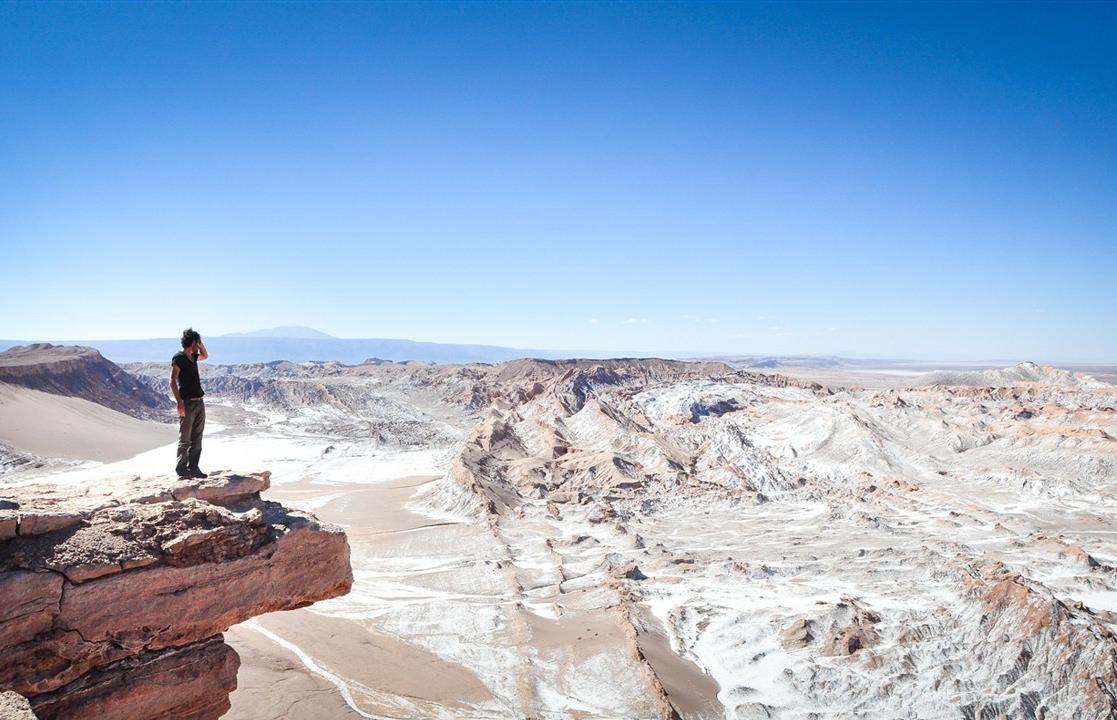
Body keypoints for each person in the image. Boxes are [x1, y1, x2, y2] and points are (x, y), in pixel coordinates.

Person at [170, 328, 209, 479]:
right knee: (185, 438)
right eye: (197, 343)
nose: (198, 346)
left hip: (199, 401)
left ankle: (194, 468)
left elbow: (205, 355)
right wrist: (179, 402)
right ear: (192, 342)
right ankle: (181, 470)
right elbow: (172, 380)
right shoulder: (178, 358)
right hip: (187, 403)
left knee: (197, 437)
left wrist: (200, 343)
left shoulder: (193, 356)